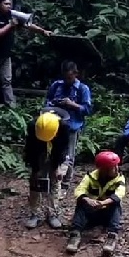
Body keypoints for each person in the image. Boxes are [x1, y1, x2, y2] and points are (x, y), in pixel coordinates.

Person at [0, 0, 51, 106]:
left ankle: (10, 105)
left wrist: (43, 31)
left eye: (10, 4)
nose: (9, 6)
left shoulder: (11, 15)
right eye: (6, 4)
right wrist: (10, 25)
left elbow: (28, 25)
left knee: (7, 81)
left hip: (5, 55)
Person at [65, 151, 126, 256]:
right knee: (81, 202)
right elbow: (79, 190)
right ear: (104, 170)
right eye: (113, 167)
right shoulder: (90, 177)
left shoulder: (119, 178)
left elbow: (119, 194)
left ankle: (112, 237)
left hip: (107, 213)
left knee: (116, 204)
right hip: (91, 212)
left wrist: (103, 203)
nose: (116, 168)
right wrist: (88, 200)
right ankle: (75, 235)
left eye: (116, 166)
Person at [45, 61, 92, 190]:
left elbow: (87, 109)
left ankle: (65, 183)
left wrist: (72, 104)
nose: (67, 80)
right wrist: (54, 103)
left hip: (72, 125)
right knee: (53, 152)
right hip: (55, 123)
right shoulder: (57, 85)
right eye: (65, 77)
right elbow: (47, 101)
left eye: (69, 77)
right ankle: (54, 180)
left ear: (75, 74)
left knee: (69, 155)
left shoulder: (83, 89)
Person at [24, 109, 71, 229]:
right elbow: (30, 150)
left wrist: (57, 167)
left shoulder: (63, 127)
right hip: (39, 152)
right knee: (36, 182)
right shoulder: (33, 126)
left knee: (56, 180)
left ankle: (53, 213)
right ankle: (36, 214)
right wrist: (35, 170)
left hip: (57, 152)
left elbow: (63, 149)